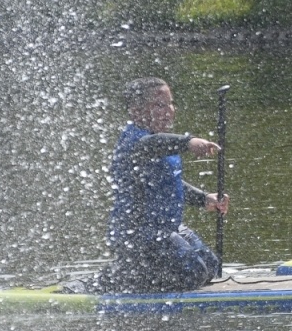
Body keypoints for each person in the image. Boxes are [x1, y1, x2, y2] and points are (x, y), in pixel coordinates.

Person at [92, 77, 229, 293]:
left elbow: (170, 182)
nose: (169, 111)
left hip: (167, 228)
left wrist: (203, 198)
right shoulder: (135, 141)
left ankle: (137, 274)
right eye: (159, 105)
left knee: (211, 266)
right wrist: (188, 142)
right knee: (193, 273)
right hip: (138, 234)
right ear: (136, 111)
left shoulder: (161, 141)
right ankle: (114, 279)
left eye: (170, 104)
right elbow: (153, 145)